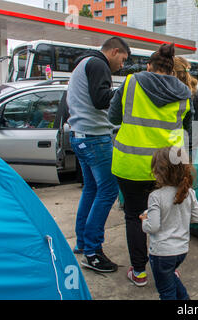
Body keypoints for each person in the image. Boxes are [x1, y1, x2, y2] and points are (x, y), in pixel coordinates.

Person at [108, 43, 192, 286]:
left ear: (149, 66)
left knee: (135, 217)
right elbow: (189, 130)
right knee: (166, 217)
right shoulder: (184, 93)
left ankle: (139, 272)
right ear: (171, 68)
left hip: (130, 164)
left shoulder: (132, 82)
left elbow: (113, 116)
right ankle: (168, 270)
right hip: (168, 167)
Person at [67, 36, 130, 273]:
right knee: (108, 190)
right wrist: (126, 89)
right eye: (123, 60)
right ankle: (93, 252)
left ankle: (83, 244)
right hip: (94, 138)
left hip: (80, 136)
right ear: (114, 52)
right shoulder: (98, 64)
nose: (122, 65)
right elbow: (101, 100)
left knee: (92, 189)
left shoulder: (83, 64)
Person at [139, 146, 198, 300]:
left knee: (166, 292)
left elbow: (153, 227)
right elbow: (197, 217)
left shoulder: (155, 196)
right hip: (181, 251)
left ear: (160, 173)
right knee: (171, 279)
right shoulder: (190, 192)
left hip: (161, 254)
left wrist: (144, 220)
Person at [173, 56, 198, 162]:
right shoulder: (196, 93)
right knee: (187, 177)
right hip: (192, 143)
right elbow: (197, 122)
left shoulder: (173, 92)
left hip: (178, 143)